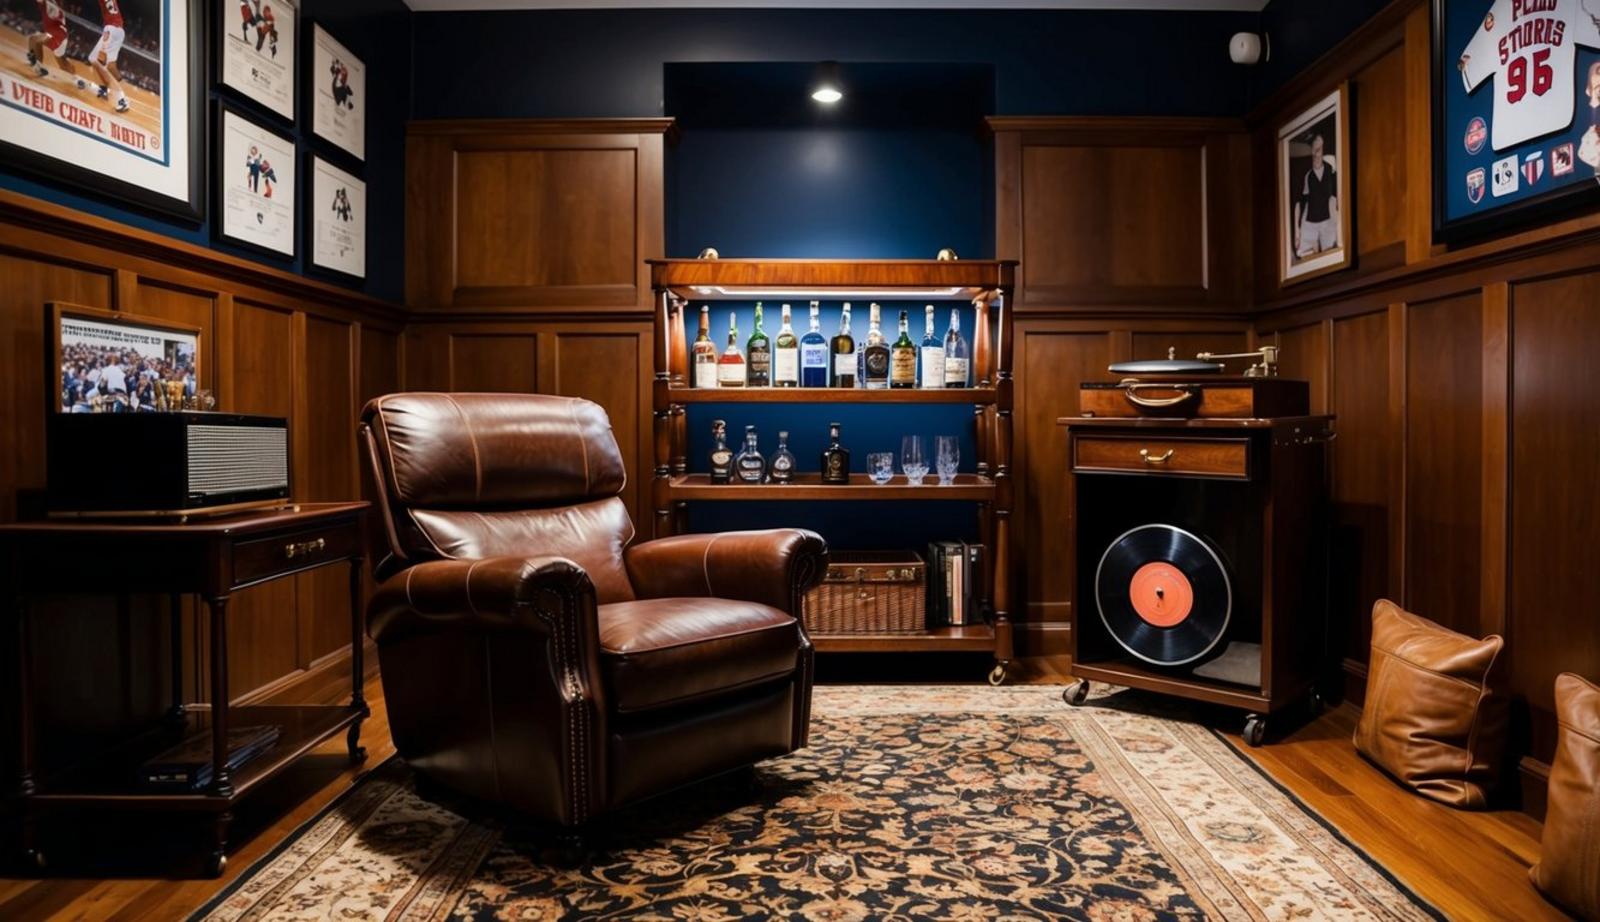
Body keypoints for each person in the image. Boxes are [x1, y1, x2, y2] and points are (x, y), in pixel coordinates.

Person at [1293, 133, 1339, 259]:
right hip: (1309, 223)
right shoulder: (1305, 172)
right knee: (1306, 258)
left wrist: (1336, 221)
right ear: (1311, 149)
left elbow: (1335, 198)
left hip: (1328, 222)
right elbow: (1298, 202)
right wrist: (1297, 230)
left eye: (1321, 147)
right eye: (1316, 147)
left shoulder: (1331, 168)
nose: (1318, 151)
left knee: (1330, 259)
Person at [27, 0, 88, 89]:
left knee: (33, 40)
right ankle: (77, 80)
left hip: (55, 32)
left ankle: (37, 67)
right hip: (62, 33)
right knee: (61, 61)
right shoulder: (58, 2)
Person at [89, 0, 130, 114]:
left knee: (96, 61)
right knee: (110, 65)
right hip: (120, 31)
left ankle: (122, 99)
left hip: (110, 29)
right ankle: (103, 89)